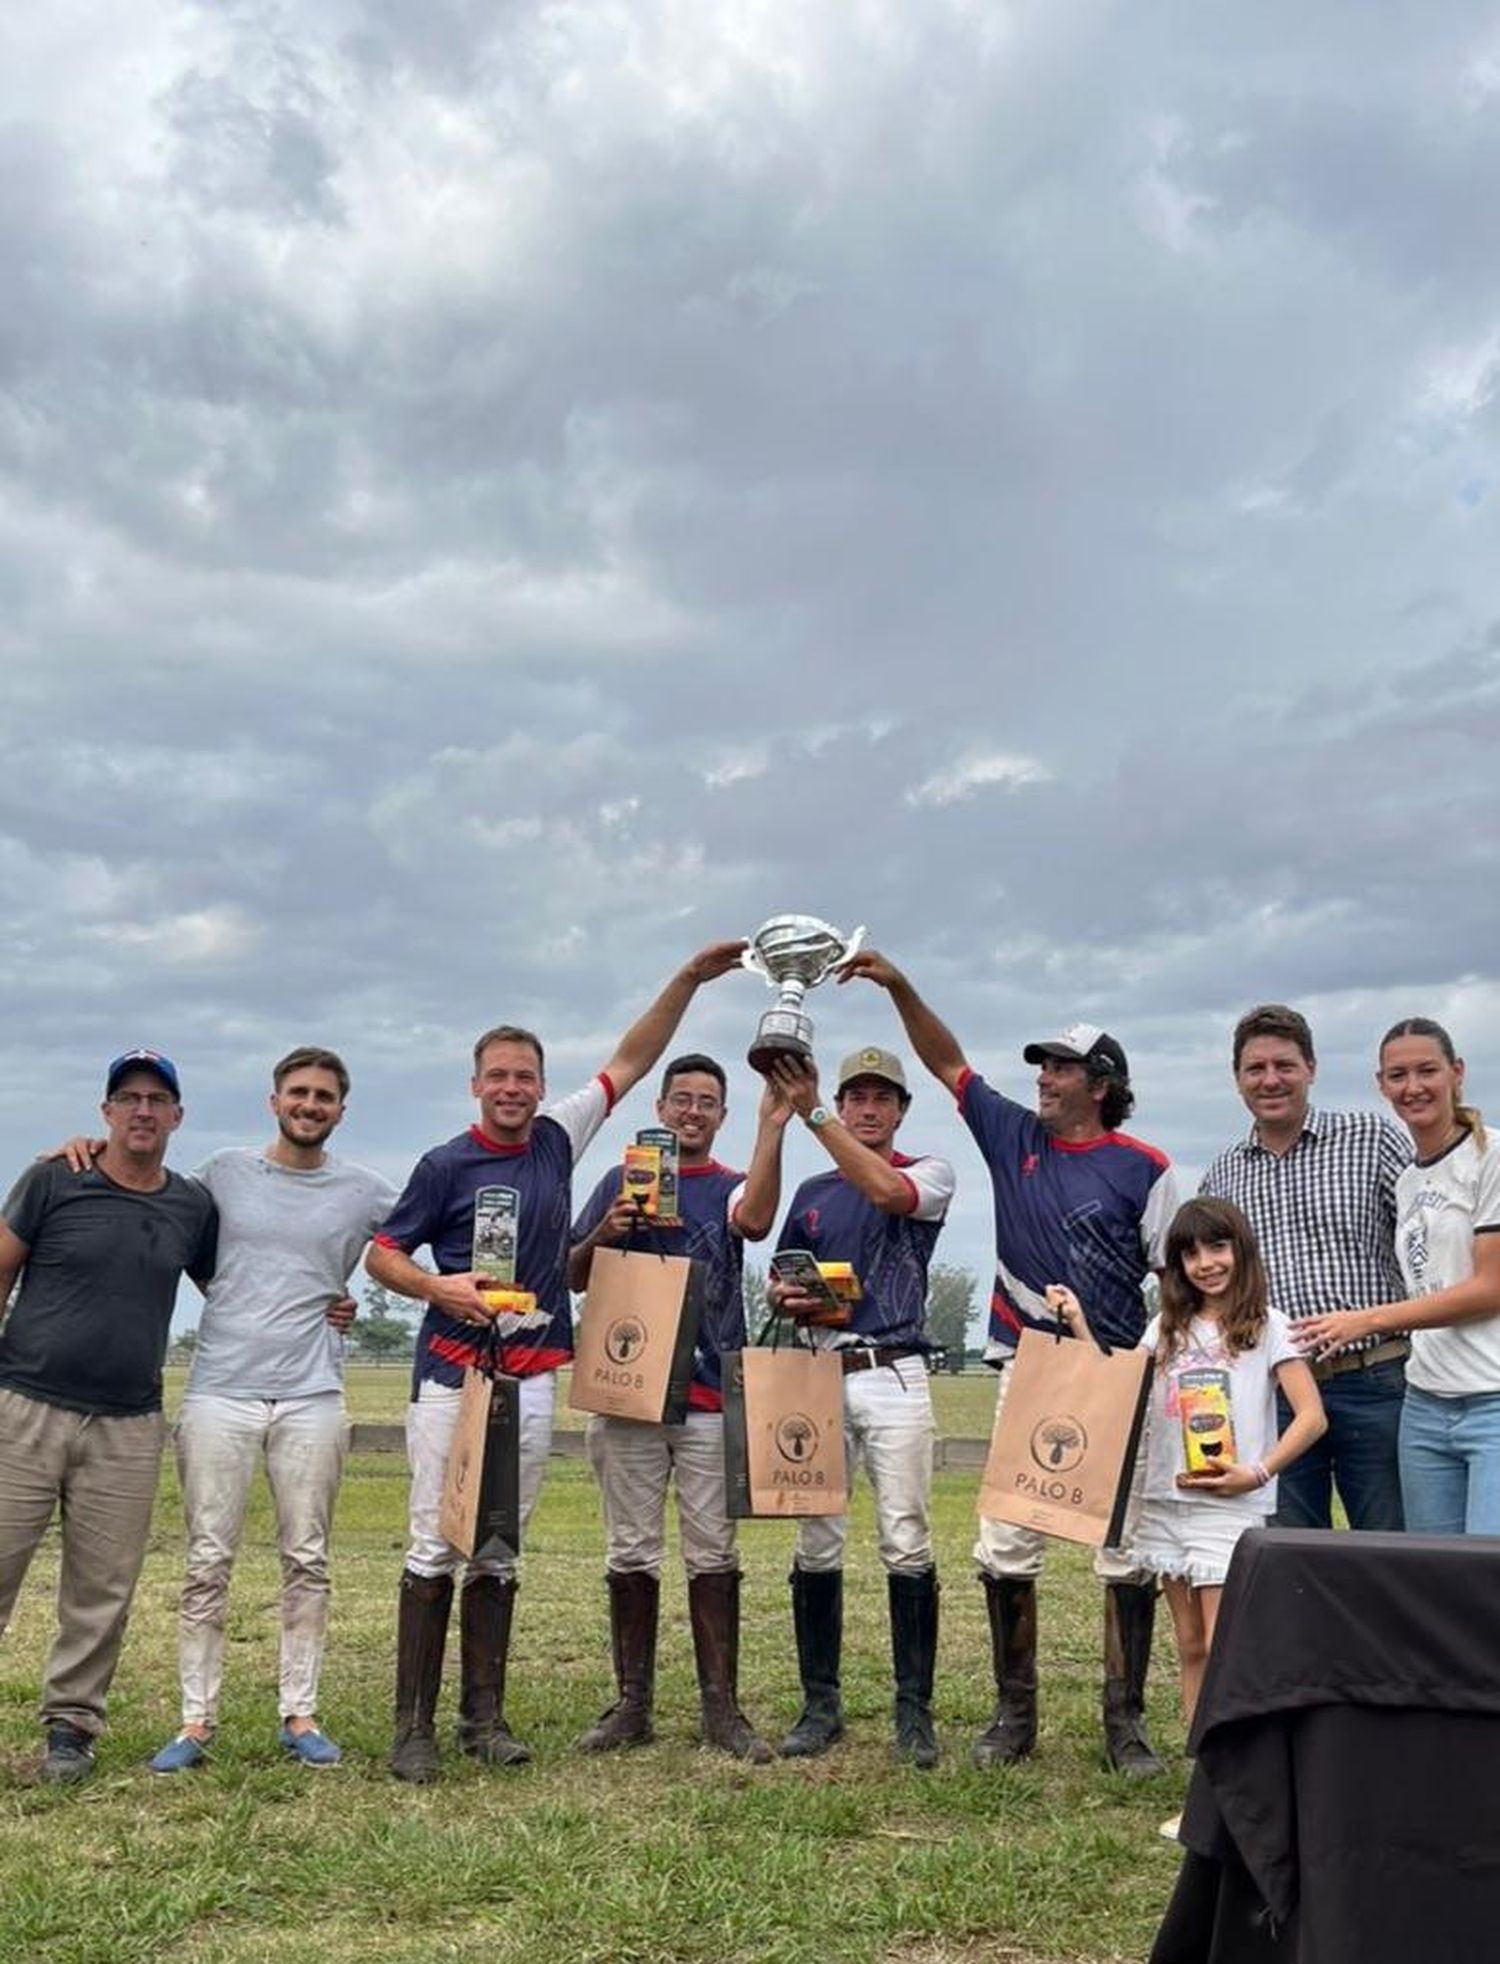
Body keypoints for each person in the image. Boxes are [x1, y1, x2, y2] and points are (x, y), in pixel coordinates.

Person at [368, 940, 746, 1783]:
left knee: (500, 1547)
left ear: (540, 1086)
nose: (512, 1089)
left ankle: (484, 1718)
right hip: (452, 1373)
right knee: (437, 1542)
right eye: (498, 1076)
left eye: (525, 1077)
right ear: (476, 1084)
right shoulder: (444, 1165)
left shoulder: (554, 1139)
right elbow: (383, 1254)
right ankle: (412, 1729)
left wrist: (686, 979)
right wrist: (440, 1288)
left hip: (533, 1373)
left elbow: (631, 1058)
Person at [841, 951, 1179, 1775]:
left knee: (1125, 1551)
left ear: (1100, 1083)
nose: (1044, 1079)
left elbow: (1173, 1280)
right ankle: (1012, 1714)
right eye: (1043, 1066)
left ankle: (1123, 1723)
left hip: (1117, 1379)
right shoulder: (1012, 1137)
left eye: (1060, 1067)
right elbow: (946, 1062)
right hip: (1026, 1370)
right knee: (1004, 1547)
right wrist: (896, 984)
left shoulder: (1146, 1166)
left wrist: (1146, 1360)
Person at [137, 1047, 396, 1771]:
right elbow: (157, 1202)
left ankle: (300, 1712)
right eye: (298, 1092)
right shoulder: (223, 1172)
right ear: (274, 1100)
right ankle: (195, 1722)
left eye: (324, 1096)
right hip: (221, 1387)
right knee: (206, 1559)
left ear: (342, 1109)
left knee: (307, 1558)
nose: (310, 1105)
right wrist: (87, 1151)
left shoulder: (365, 1190)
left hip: (312, 1393)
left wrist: (351, 1299)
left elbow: (410, 1245)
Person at [1053, 1197, 1327, 1836]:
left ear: (1241, 1250)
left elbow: (1312, 1416)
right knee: (1193, 1646)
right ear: (1177, 1262)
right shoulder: (1166, 1327)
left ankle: (1244, 1794)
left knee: (1230, 1648)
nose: (1206, 1264)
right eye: (1191, 1252)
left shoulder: (1269, 1327)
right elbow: (1118, 1390)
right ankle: (1208, 1791)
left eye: (1218, 1247)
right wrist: (1079, 1324)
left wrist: (1256, 1472)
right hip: (1167, 1506)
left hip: (1229, 1509)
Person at [0, 1051, 218, 1783]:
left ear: (177, 1117)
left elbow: (235, 1288)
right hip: (26, 1407)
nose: (143, 1111)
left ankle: (71, 1727)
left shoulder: (191, 1206)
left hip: (128, 1424)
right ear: (106, 1113)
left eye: (158, 1100)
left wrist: (330, 1304)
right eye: (128, 1098)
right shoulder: (53, 1180)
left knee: (102, 1587)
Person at [567, 1056, 793, 1761]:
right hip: (628, 1394)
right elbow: (572, 1274)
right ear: (661, 1108)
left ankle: (720, 1709)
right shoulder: (619, 1180)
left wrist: (772, 1126)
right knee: (630, 1549)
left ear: (721, 1116)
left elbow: (755, 1222)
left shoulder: (729, 1188)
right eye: (682, 1100)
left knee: (713, 1553)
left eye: (707, 1103)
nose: (693, 1112)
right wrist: (608, 1228)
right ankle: (631, 1703)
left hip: (706, 1397)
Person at [764, 1046, 955, 1768]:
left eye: (883, 1098)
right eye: (856, 1097)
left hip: (893, 1368)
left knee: (905, 1536)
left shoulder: (927, 1172)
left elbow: (887, 1196)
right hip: (817, 1368)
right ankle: (821, 1705)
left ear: (901, 1110)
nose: (869, 1109)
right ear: (843, 1105)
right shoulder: (811, 1188)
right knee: (817, 1537)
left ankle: (914, 1711)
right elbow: (780, 1278)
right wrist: (785, 1294)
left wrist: (808, 1113)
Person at [1200, 1004, 1411, 1532]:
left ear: (1311, 1069)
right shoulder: (1222, 1176)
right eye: (1256, 1069)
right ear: (1238, 1079)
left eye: (1285, 1065)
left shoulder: (1371, 1139)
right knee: (1291, 1554)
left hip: (1375, 1379)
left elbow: (1423, 1241)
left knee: (1391, 1545)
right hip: (1278, 1396)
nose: (1271, 1080)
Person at [1297, 1020, 1500, 1535]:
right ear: (1381, 1085)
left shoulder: (1491, 1157)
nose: (1414, 1087)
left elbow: (1489, 1288)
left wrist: (1367, 1321)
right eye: (1398, 1075)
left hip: (1491, 1400)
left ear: (1456, 1073)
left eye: (1427, 1071)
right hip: (1425, 1404)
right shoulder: (1409, 1179)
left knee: (1486, 1577)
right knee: (1433, 1579)